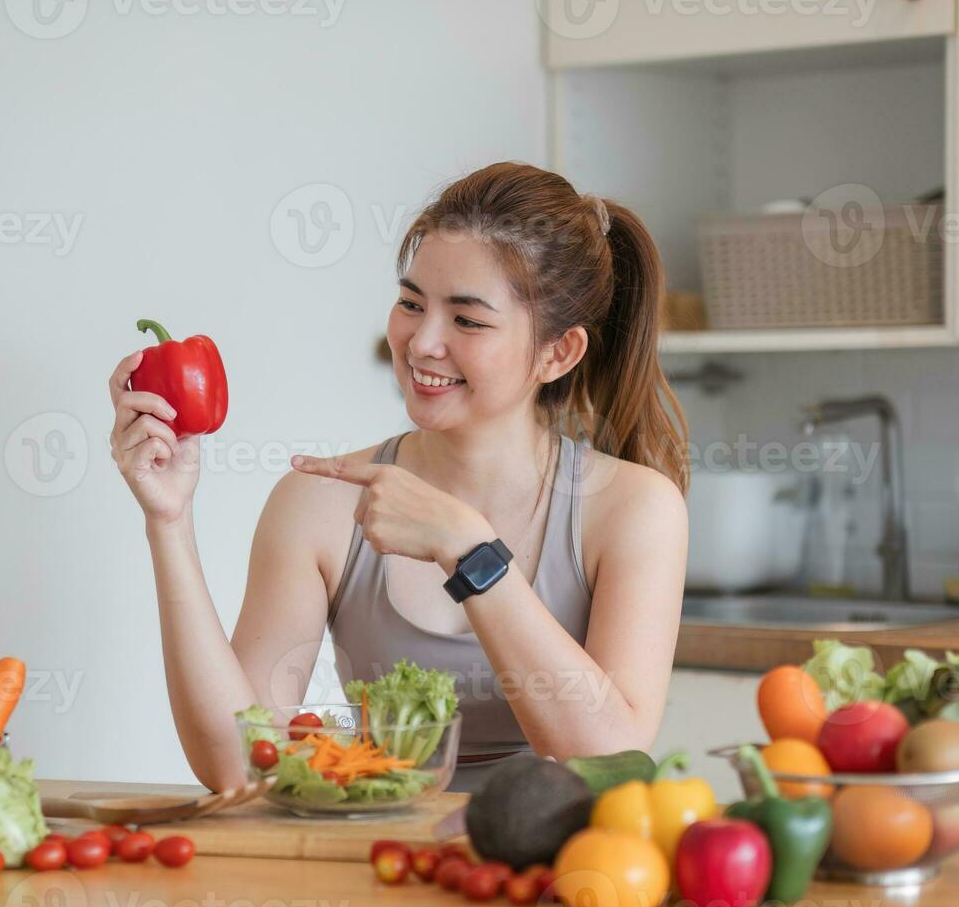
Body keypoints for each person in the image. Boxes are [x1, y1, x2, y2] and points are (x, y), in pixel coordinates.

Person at [109, 162, 689, 793]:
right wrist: (169, 522)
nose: (421, 342)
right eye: (412, 303)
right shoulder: (320, 503)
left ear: (558, 353)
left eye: (467, 320)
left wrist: (469, 552)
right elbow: (238, 764)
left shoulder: (631, 507)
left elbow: (606, 758)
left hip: (556, 874)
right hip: (383, 865)